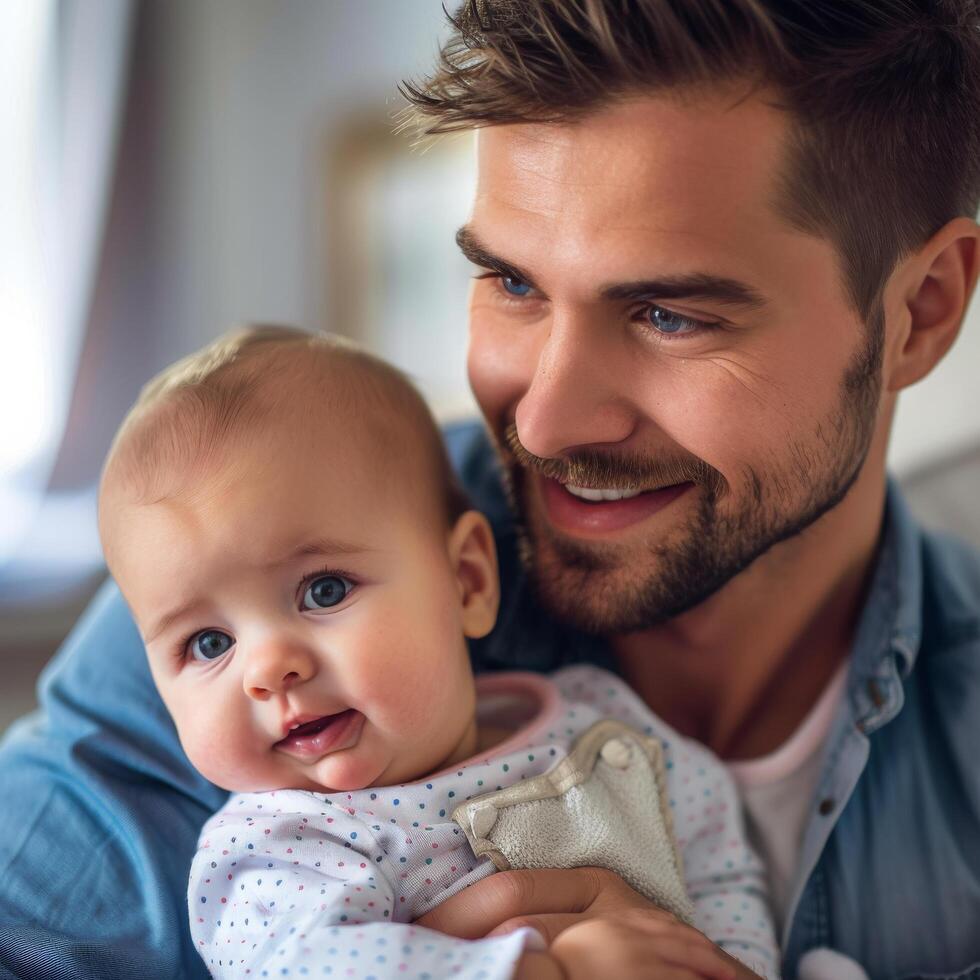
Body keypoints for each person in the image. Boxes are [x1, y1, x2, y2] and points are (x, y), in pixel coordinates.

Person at [1, 1, 979, 977]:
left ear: (919, 312)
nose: (544, 421)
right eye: (511, 284)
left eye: (666, 313)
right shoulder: (254, 569)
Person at [97, 325, 777, 979]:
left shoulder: (598, 722)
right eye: (209, 644)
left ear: (467, 580)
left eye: (324, 590)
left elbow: (718, 865)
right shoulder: (283, 846)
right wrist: (550, 971)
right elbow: (304, 968)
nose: (270, 668)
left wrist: (734, 964)